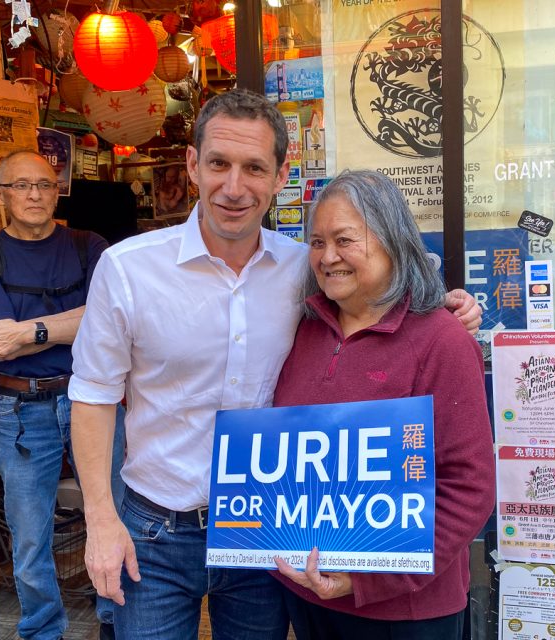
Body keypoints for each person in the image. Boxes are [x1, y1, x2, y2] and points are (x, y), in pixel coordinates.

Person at [68, 89, 481, 640]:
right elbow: (93, 394)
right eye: (218, 163)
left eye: (254, 168)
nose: (234, 187)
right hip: (157, 528)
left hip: (267, 536)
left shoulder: (301, 270)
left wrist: (445, 309)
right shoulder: (127, 269)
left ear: (281, 174)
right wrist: (99, 519)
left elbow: (387, 285)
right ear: (192, 164)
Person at [272, 170, 495, 640]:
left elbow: (468, 487)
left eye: (344, 240)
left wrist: (365, 580)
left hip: (405, 612)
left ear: (393, 241)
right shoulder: (303, 329)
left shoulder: (442, 340)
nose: (327, 257)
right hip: (309, 595)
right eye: (316, 242)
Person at [0, 150, 125, 640]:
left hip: (92, 400)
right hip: (21, 409)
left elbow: (108, 321)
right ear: (1, 195)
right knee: (29, 532)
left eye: (44, 183)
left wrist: (30, 332)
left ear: (59, 189)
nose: (35, 194)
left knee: (114, 512)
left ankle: (115, 619)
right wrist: (67, 326)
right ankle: (42, 630)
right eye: (21, 185)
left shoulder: (89, 246)